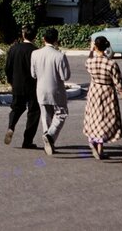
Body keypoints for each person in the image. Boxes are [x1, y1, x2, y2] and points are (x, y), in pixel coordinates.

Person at [83, 36, 122, 160]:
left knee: (94, 117)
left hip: (94, 90)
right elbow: (119, 85)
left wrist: (91, 50)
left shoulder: (89, 62)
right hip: (107, 91)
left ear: (95, 46)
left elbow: (89, 60)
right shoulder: (111, 63)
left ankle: (94, 142)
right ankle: (100, 149)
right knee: (105, 119)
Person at [30, 28, 71, 156]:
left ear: (43, 39)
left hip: (41, 89)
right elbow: (65, 76)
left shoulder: (35, 54)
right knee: (61, 113)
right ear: (56, 40)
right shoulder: (59, 55)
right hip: (56, 90)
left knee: (46, 116)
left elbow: (33, 74)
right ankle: (50, 136)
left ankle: (48, 142)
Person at [4, 26, 41, 149]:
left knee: (16, 107)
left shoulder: (14, 49)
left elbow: (8, 67)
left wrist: (11, 81)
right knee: (34, 112)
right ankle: (27, 140)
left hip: (17, 84)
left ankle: (11, 126)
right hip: (32, 86)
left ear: (23, 35)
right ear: (35, 36)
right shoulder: (36, 51)